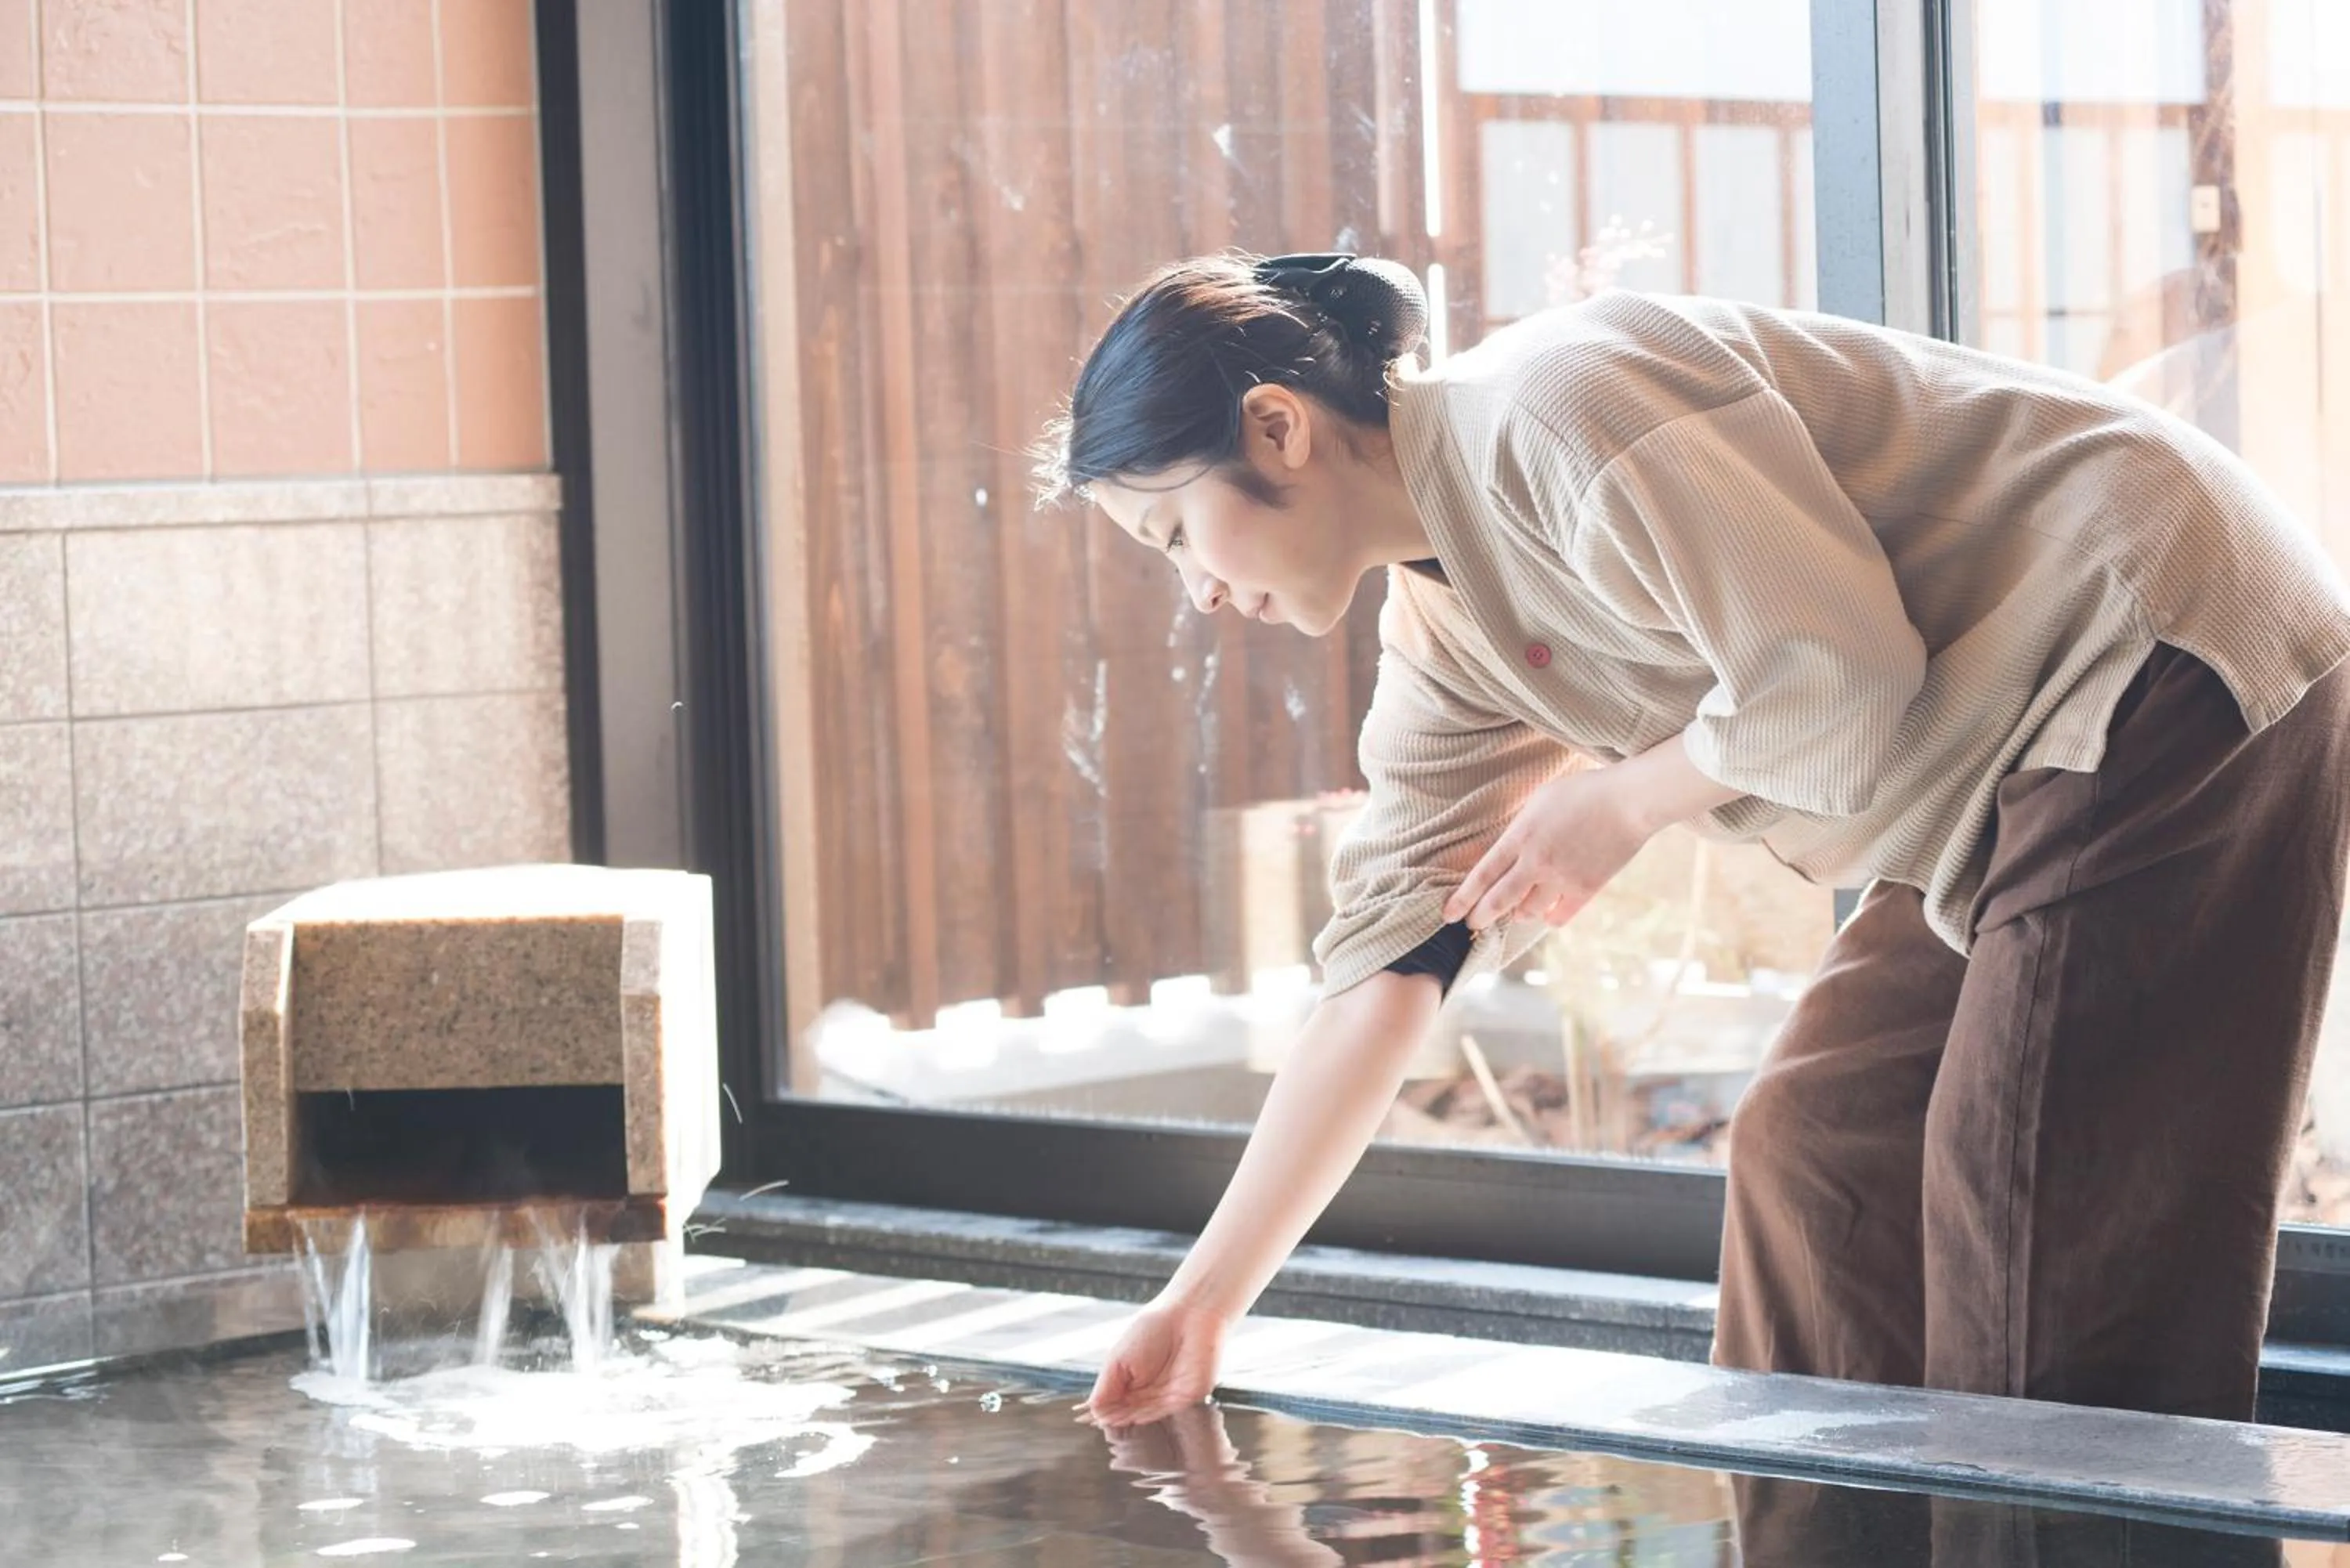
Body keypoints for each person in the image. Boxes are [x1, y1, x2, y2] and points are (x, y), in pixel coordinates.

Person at [1034, 251, 2350, 1435]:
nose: (1198, 591)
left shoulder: (1560, 406)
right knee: (1817, 1149)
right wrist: (1203, 1304)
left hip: (2154, 644)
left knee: (2026, 1183)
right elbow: (1384, 961)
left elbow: (1836, 679)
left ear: (1278, 426)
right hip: (1996, 769)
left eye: (1175, 534)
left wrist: (1618, 803)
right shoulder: (1443, 638)